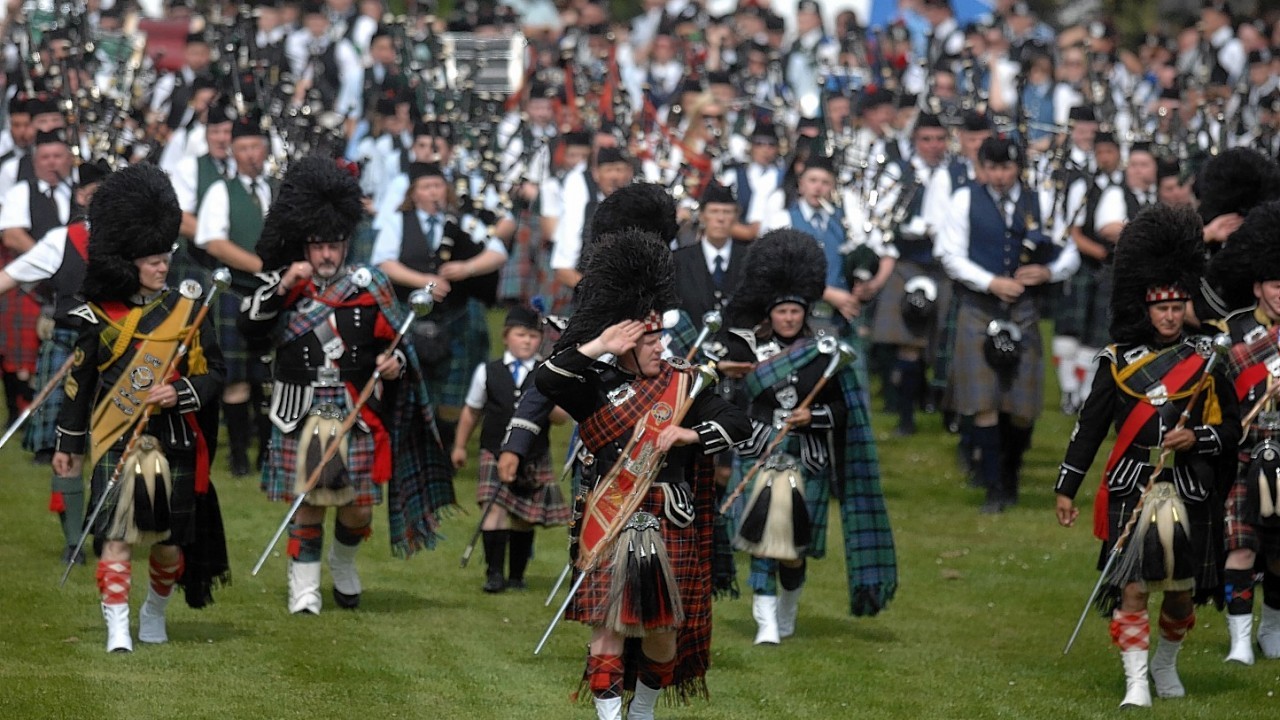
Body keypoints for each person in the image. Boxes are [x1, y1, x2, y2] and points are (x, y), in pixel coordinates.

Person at [534, 228, 750, 720]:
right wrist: (599, 345)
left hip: (666, 518)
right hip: (610, 518)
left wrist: (690, 436)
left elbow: (740, 423)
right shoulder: (596, 384)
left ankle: (643, 712)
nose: (660, 348)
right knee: (605, 626)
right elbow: (545, 379)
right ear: (625, 344)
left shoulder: (685, 384)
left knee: (663, 631)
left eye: (661, 338)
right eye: (649, 340)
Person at [242, 156, 454, 614]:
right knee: (309, 503)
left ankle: (342, 561)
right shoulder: (283, 286)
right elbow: (251, 330)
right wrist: (282, 286)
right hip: (299, 406)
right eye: (318, 245)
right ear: (304, 243)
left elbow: (398, 342)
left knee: (357, 507)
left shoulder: (370, 285)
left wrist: (393, 362)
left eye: (334, 245)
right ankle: (304, 587)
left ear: (346, 242)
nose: (326, 255)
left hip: (353, 405)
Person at [1055, 204, 1240, 707]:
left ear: (1186, 306)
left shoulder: (1206, 360)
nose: (1170, 315)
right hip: (1132, 483)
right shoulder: (1116, 363)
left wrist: (1195, 438)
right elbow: (1087, 429)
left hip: (1188, 486)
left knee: (1180, 594)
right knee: (1133, 587)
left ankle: (1164, 663)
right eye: (1161, 308)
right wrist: (1066, 488)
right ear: (1144, 308)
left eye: (1178, 307)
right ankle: (1136, 679)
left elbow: (1230, 431)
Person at [51, 164, 229, 652]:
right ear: (129, 261)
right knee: (116, 536)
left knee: (170, 544)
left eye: (164, 257)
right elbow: (80, 382)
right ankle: (116, 626)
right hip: (115, 437)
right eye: (152, 260)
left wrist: (180, 394)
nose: (162, 266)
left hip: (171, 438)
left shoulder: (190, 312)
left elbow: (215, 374)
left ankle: (154, 611)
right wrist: (68, 444)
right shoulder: (102, 315)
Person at [720, 229, 897, 646]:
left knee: (794, 553)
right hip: (760, 455)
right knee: (761, 545)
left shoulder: (825, 353)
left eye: (795, 312)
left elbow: (842, 411)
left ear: (804, 312)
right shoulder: (748, 351)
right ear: (772, 312)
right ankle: (765, 624)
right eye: (781, 312)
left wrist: (811, 414)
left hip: (807, 459)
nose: (788, 318)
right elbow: (738, 403)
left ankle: (787, 609)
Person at [937, 137, 1077, 513]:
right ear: (981, 168)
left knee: (1021, 405)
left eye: (1006, 168)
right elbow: (950, 255)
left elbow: (1070, 250)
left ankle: (1011, 471)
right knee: (983, 401)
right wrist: (990, 282)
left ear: (1018, 168)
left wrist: (1049, 270)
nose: (999, 176)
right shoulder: (964, 199)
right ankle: (995, 485)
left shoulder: (1042, 201)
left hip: (1025, 310)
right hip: (979, 306)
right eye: (992, 168)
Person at [0, 158, 109, 562]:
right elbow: (9, 278)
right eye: (93, 195)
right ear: (80, 198)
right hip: (69, 344)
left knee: (114, 443)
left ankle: (107, 528)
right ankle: (73, 540)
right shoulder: (61, 241)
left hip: (119, 350)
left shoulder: (130, 241)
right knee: (69, 444)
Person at [370, 160, 509, 442]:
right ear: (413, 193)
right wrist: (424, 281)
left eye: (437, 186)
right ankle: (410, 436)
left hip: (454, 317)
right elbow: (383, 263)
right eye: (426, 187)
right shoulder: (398, 221)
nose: (433, 192)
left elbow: (497, 253)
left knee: (450, 393)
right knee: (411, 382)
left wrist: (467, 268)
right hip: (411, 316)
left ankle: (443, 445)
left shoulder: (463, 222)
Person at [1205, 200, 1280, 664]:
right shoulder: (1231, 332)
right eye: (1276, 284)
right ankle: (1238, 642)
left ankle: (1272, 630)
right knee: (1241, 549)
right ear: (1258, 286)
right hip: (1247, 453)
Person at [452, 305, 570, 593]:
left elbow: (560, 417)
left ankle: (517, 575)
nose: (527, 341)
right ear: (506, 337)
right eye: (521, 334)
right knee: (493, 511)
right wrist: (459, 446)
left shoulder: (546, 372)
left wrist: (552, 398)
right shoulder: (488, 371)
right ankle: (494, 575)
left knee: (524, 518)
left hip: (533, 455)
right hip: (493, 450)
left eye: (533, 336)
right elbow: (471, 412)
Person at [194, 111, 275, 476]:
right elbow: (213, 241)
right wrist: (261, 266)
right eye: (243, 148)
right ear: (234, 152)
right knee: (238, 377)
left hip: (278, 294)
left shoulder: (279, 188)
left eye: (256, 146)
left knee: (270, 378)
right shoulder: (220, 191)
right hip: (238, 293)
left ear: (266, 148)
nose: (250, 154)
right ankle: (240, 455)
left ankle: (267, 453)